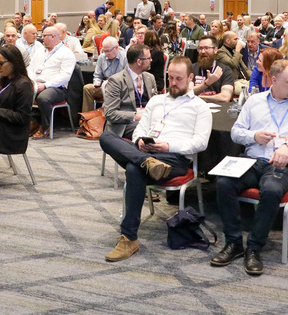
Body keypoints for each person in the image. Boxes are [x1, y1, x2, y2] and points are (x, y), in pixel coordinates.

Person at [98, 56, 213, 262]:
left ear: (190, 78)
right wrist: (140, 140)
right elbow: (139, 130)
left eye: (179, 79)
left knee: (134, 169)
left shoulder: (200, 107)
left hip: (174, 158)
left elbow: (200, 143)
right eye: (170, 78)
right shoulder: (157, 101)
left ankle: (129, 238)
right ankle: (145, 161)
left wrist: (168, 146)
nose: (173, 83)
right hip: (148, 153)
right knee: (106, 136)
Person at [213, 60, 288, 275]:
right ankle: (233, 243)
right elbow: (236, 132)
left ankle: (254, 247)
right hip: (251, 160)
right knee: (223, 183)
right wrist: (254, 136)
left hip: (281, 164)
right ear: (274, 80)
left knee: (271, 190)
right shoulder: (254, 101)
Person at [0, 45, 34, 157]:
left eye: (1, 64)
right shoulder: (0, 79)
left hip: (11, 129)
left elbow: (22, 117)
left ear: (14, 63)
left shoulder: (24, 85)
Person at [30, 25, 77, 138]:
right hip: (36, 84)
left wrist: (45, 85)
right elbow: (30, 68)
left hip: (57, 88)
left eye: (44, 36)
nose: (41, 38)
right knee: (17, 92)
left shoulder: (66, 53)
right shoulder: (39, 51)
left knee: (43, 98)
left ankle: (45, 126)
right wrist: (32, 81)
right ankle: (29, 123)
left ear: (53, 36)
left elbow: (65, 77)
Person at [103, 44, 157, 139]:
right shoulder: (117, 81)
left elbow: (155, 104)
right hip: (124, 124)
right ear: (139, 62)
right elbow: (110, 113)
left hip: (147, 119)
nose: (151, 60)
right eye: (148, 58)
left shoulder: (150, 78)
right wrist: (136, 116)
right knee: (149, 130)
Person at [84, 37, 127, 112]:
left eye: (108, 51)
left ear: (116, 48)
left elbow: (127, 78)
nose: (106, 54)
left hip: (119, 88)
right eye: (104, 51)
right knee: (87, 88)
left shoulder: (125, 58)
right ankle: (87, 116)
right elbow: (97, 75)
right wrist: (97, 82)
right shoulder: (102, 57)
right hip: (104, 86)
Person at [192, 36, 234, 102]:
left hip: (217, 107)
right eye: (200, 48)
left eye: (206, 48)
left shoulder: (225, 70)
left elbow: (225, 97)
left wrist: (200, 97)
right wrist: (207, 83)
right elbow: (188, 92)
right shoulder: (191, 68)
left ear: (215, 50)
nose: (203, 51)